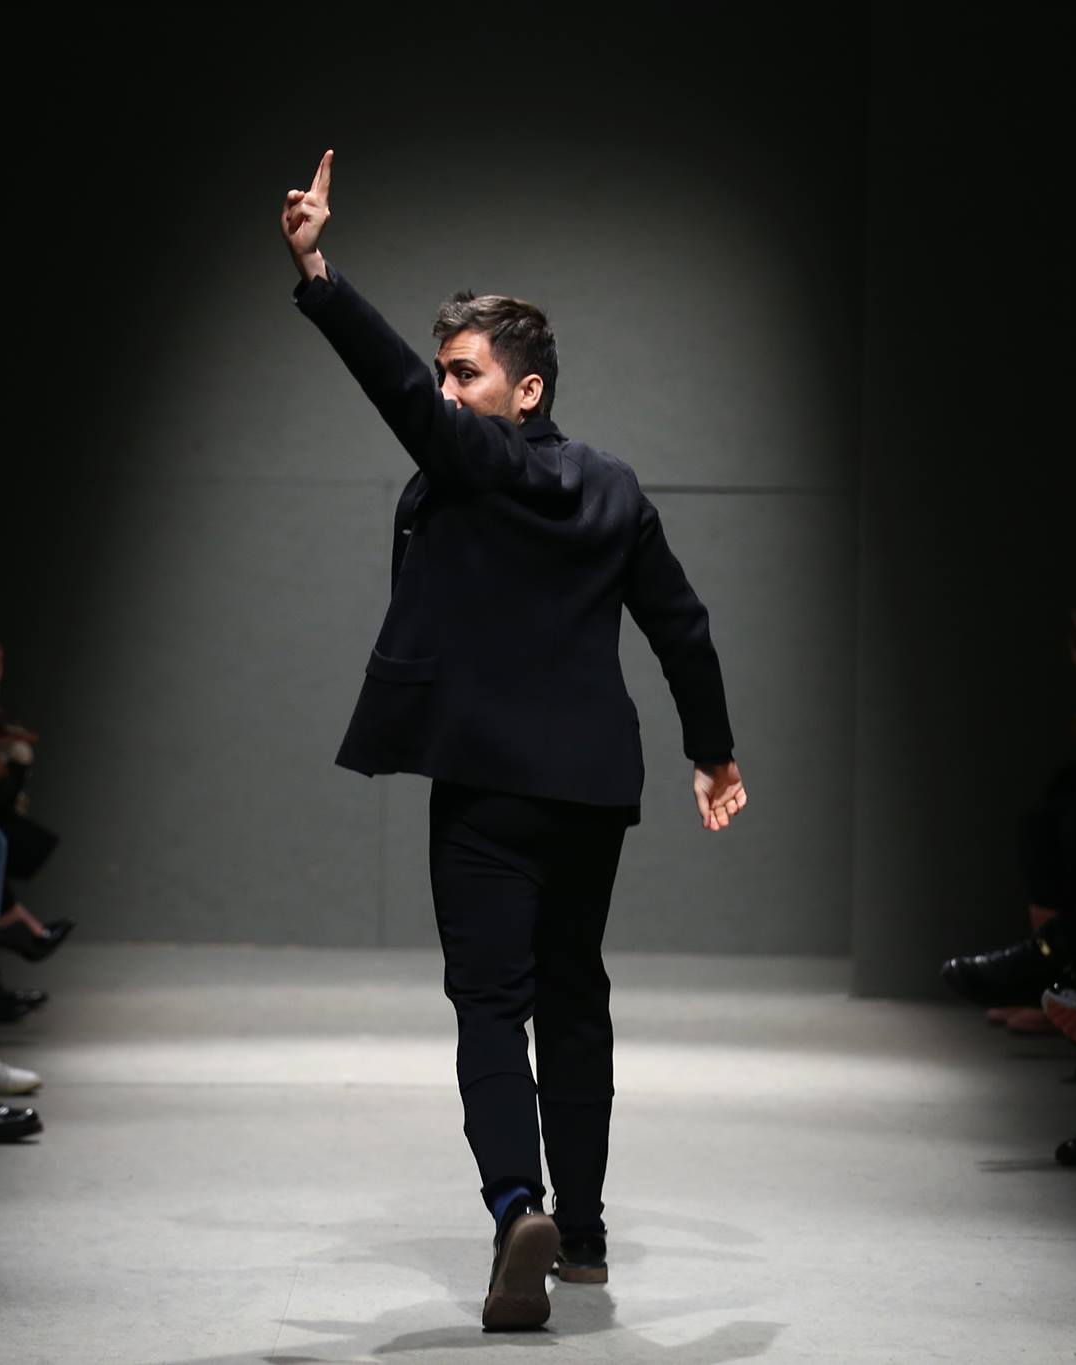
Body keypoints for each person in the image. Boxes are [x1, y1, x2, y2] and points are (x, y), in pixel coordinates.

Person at [279, 149, 747, 1332]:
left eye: (464, 372)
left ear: (524, 392)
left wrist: (320, 275)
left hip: (487, 784)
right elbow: (681, 624)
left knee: (489, 1004)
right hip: (592, 784)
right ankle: (581, 1235)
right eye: (442, 370)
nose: (443, 390)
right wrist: (712, 752)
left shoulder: (474, 461)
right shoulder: (615, 488)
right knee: (573, 994)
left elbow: (392, 391)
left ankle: (511, 1210)